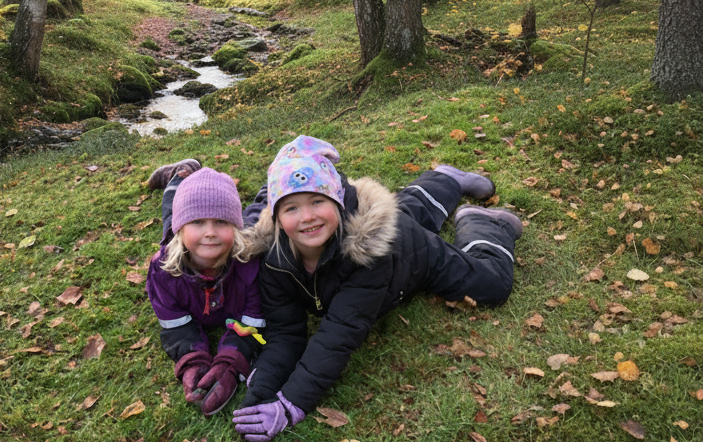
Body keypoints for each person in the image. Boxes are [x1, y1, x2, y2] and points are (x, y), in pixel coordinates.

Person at [232, 135, 523, 441]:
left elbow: (338, 335)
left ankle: (487, 223)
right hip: (385, 237)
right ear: (276, 218)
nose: (307, 217)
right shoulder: (275, 259)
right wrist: (262, 388)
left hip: (414, 256)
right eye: (291, 208)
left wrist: (292, 404)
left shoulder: (367, 254)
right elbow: (286, 333)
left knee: (493, 284)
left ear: (339, 202)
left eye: (318, 201)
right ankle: (444, 178)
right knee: (406, 210)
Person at [145, 161, 265, 416]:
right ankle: (176, 176)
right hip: (178, 242)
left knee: (259, 218)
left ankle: (271, 186)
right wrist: (192, 359)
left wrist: (231, 361)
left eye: (221, 221)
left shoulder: (251, 266)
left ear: (234, 226)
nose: (210, 232)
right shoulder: (163, 271)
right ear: (183, 229)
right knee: (172, 214)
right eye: (198, 221)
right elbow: (176, 324)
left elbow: (252, 321)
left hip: (242, 241)